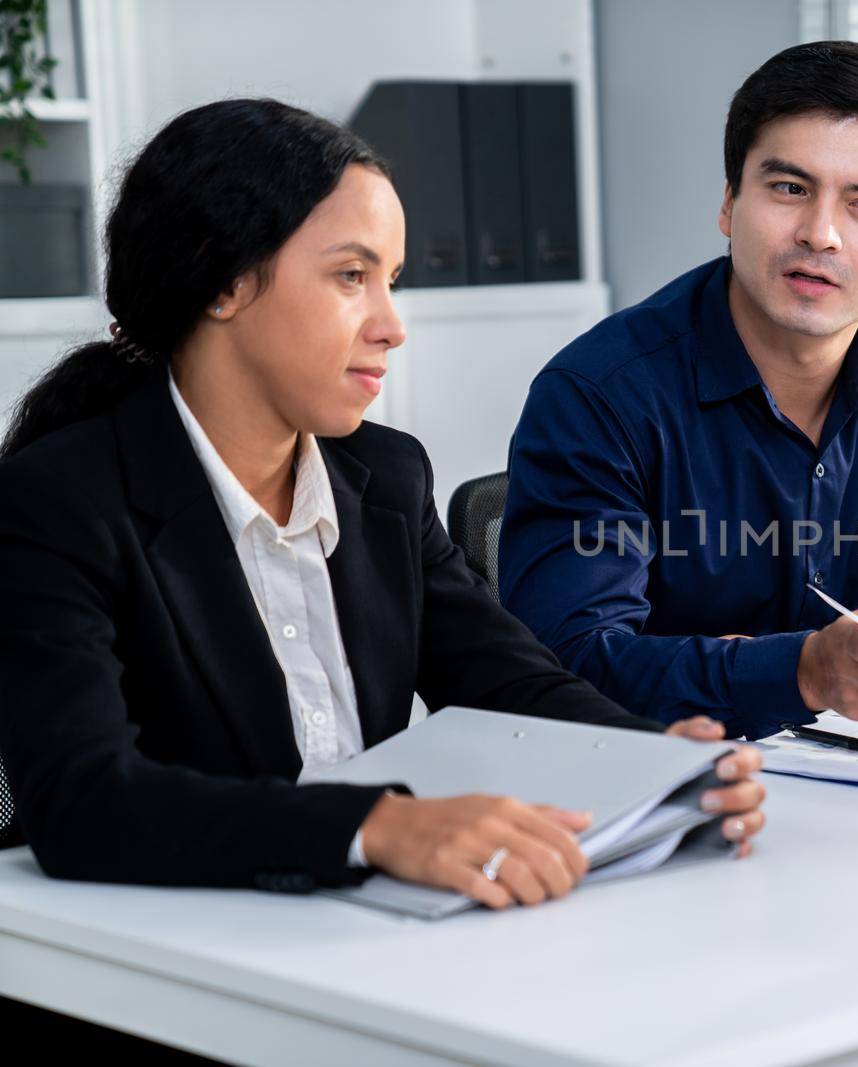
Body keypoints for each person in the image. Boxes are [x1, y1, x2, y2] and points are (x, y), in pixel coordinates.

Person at [0, 98, 764, 914]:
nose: (392, 325)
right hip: (180, 948)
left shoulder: (385, 480)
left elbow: (509, 680)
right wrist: (375, 827)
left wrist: (653, 759)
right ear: (222, 278)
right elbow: (85, 802)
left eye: (390, 281)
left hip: (373, 929)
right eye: (350, 276)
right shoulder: (58, 501)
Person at [499, 41, 858, 742]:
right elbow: (567, 664)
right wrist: (802, 671)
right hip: (665, 788)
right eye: (790, 188)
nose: (820, 234)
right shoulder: (598, 394)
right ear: (730, 202)